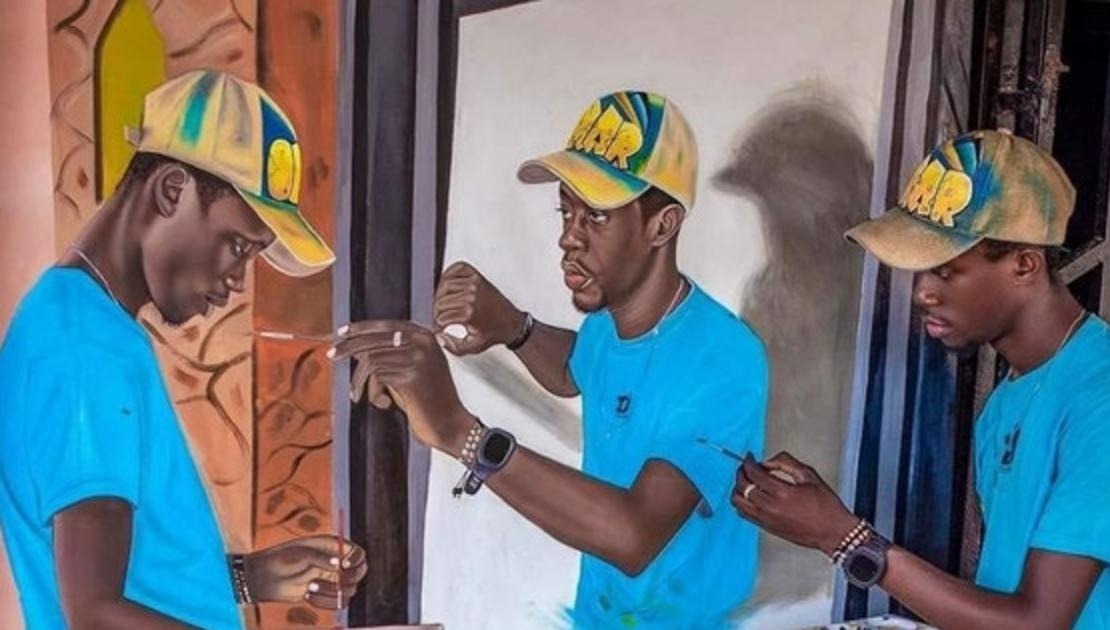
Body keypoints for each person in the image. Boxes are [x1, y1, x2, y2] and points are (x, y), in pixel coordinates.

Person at [332, 91, 767, 628]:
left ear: (662, 225)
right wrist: (514, 328)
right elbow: (577, 370)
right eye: (567, 211)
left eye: (596, 217)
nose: (568, 238)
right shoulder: (611, 322)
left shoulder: (724, 358)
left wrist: (461, 434)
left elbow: (634, 535)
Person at [732, 129, 1110, 629]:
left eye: (945, 272)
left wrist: (843, 538)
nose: (921, 293)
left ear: (1024, 265)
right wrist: (830, 524)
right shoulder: (1011, 397)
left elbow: (1036, 623)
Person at [0, 70, 367, 629]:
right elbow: (95, 614)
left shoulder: (84, 322)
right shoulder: (84, 350)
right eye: (237, 245)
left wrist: (247, 578)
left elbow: (119, 575)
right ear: (172, 190)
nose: (238, 280)